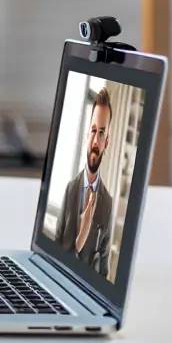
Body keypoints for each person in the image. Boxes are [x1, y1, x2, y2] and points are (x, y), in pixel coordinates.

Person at [55, 86, 114, 277]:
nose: (96, 141)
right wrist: (81, 237)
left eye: (102, 133)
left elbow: (103, 271)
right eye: (94, 131)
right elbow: (53, 254)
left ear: (106, 142)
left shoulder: (108, 204)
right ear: (87, 134)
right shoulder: (70, 190)